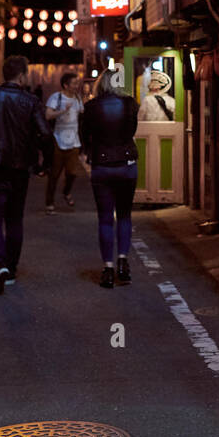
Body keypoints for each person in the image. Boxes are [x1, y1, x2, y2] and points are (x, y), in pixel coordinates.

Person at [0, 54, 53, 295]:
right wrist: (43, 164)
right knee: (14, 219)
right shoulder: (30, 101)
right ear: (23, 75)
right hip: (20, 169)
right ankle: (11, 269)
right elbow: (45, 135)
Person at [80, 69, 139, 288]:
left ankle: (108, 268)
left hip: (102, 166)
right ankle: (123, 261)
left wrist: (90, 152)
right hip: (127, 165)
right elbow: (131, 131)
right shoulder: (130, 104)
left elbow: (85, 136)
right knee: (124, 215)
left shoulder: (91, 107)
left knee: (105, 218)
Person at [44, 71, 83, 212]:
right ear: (65, 85)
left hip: (74, 141)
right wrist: (62, 111)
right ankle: (49, 203)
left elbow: (81, 113)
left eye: (77, 83)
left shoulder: (78, 98)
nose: (76, 86)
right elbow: (48, 115)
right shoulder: (56, 97)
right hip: (58, 139)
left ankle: (66, 192)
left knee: (72, 173)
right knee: (54, 174)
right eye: (74, 83)